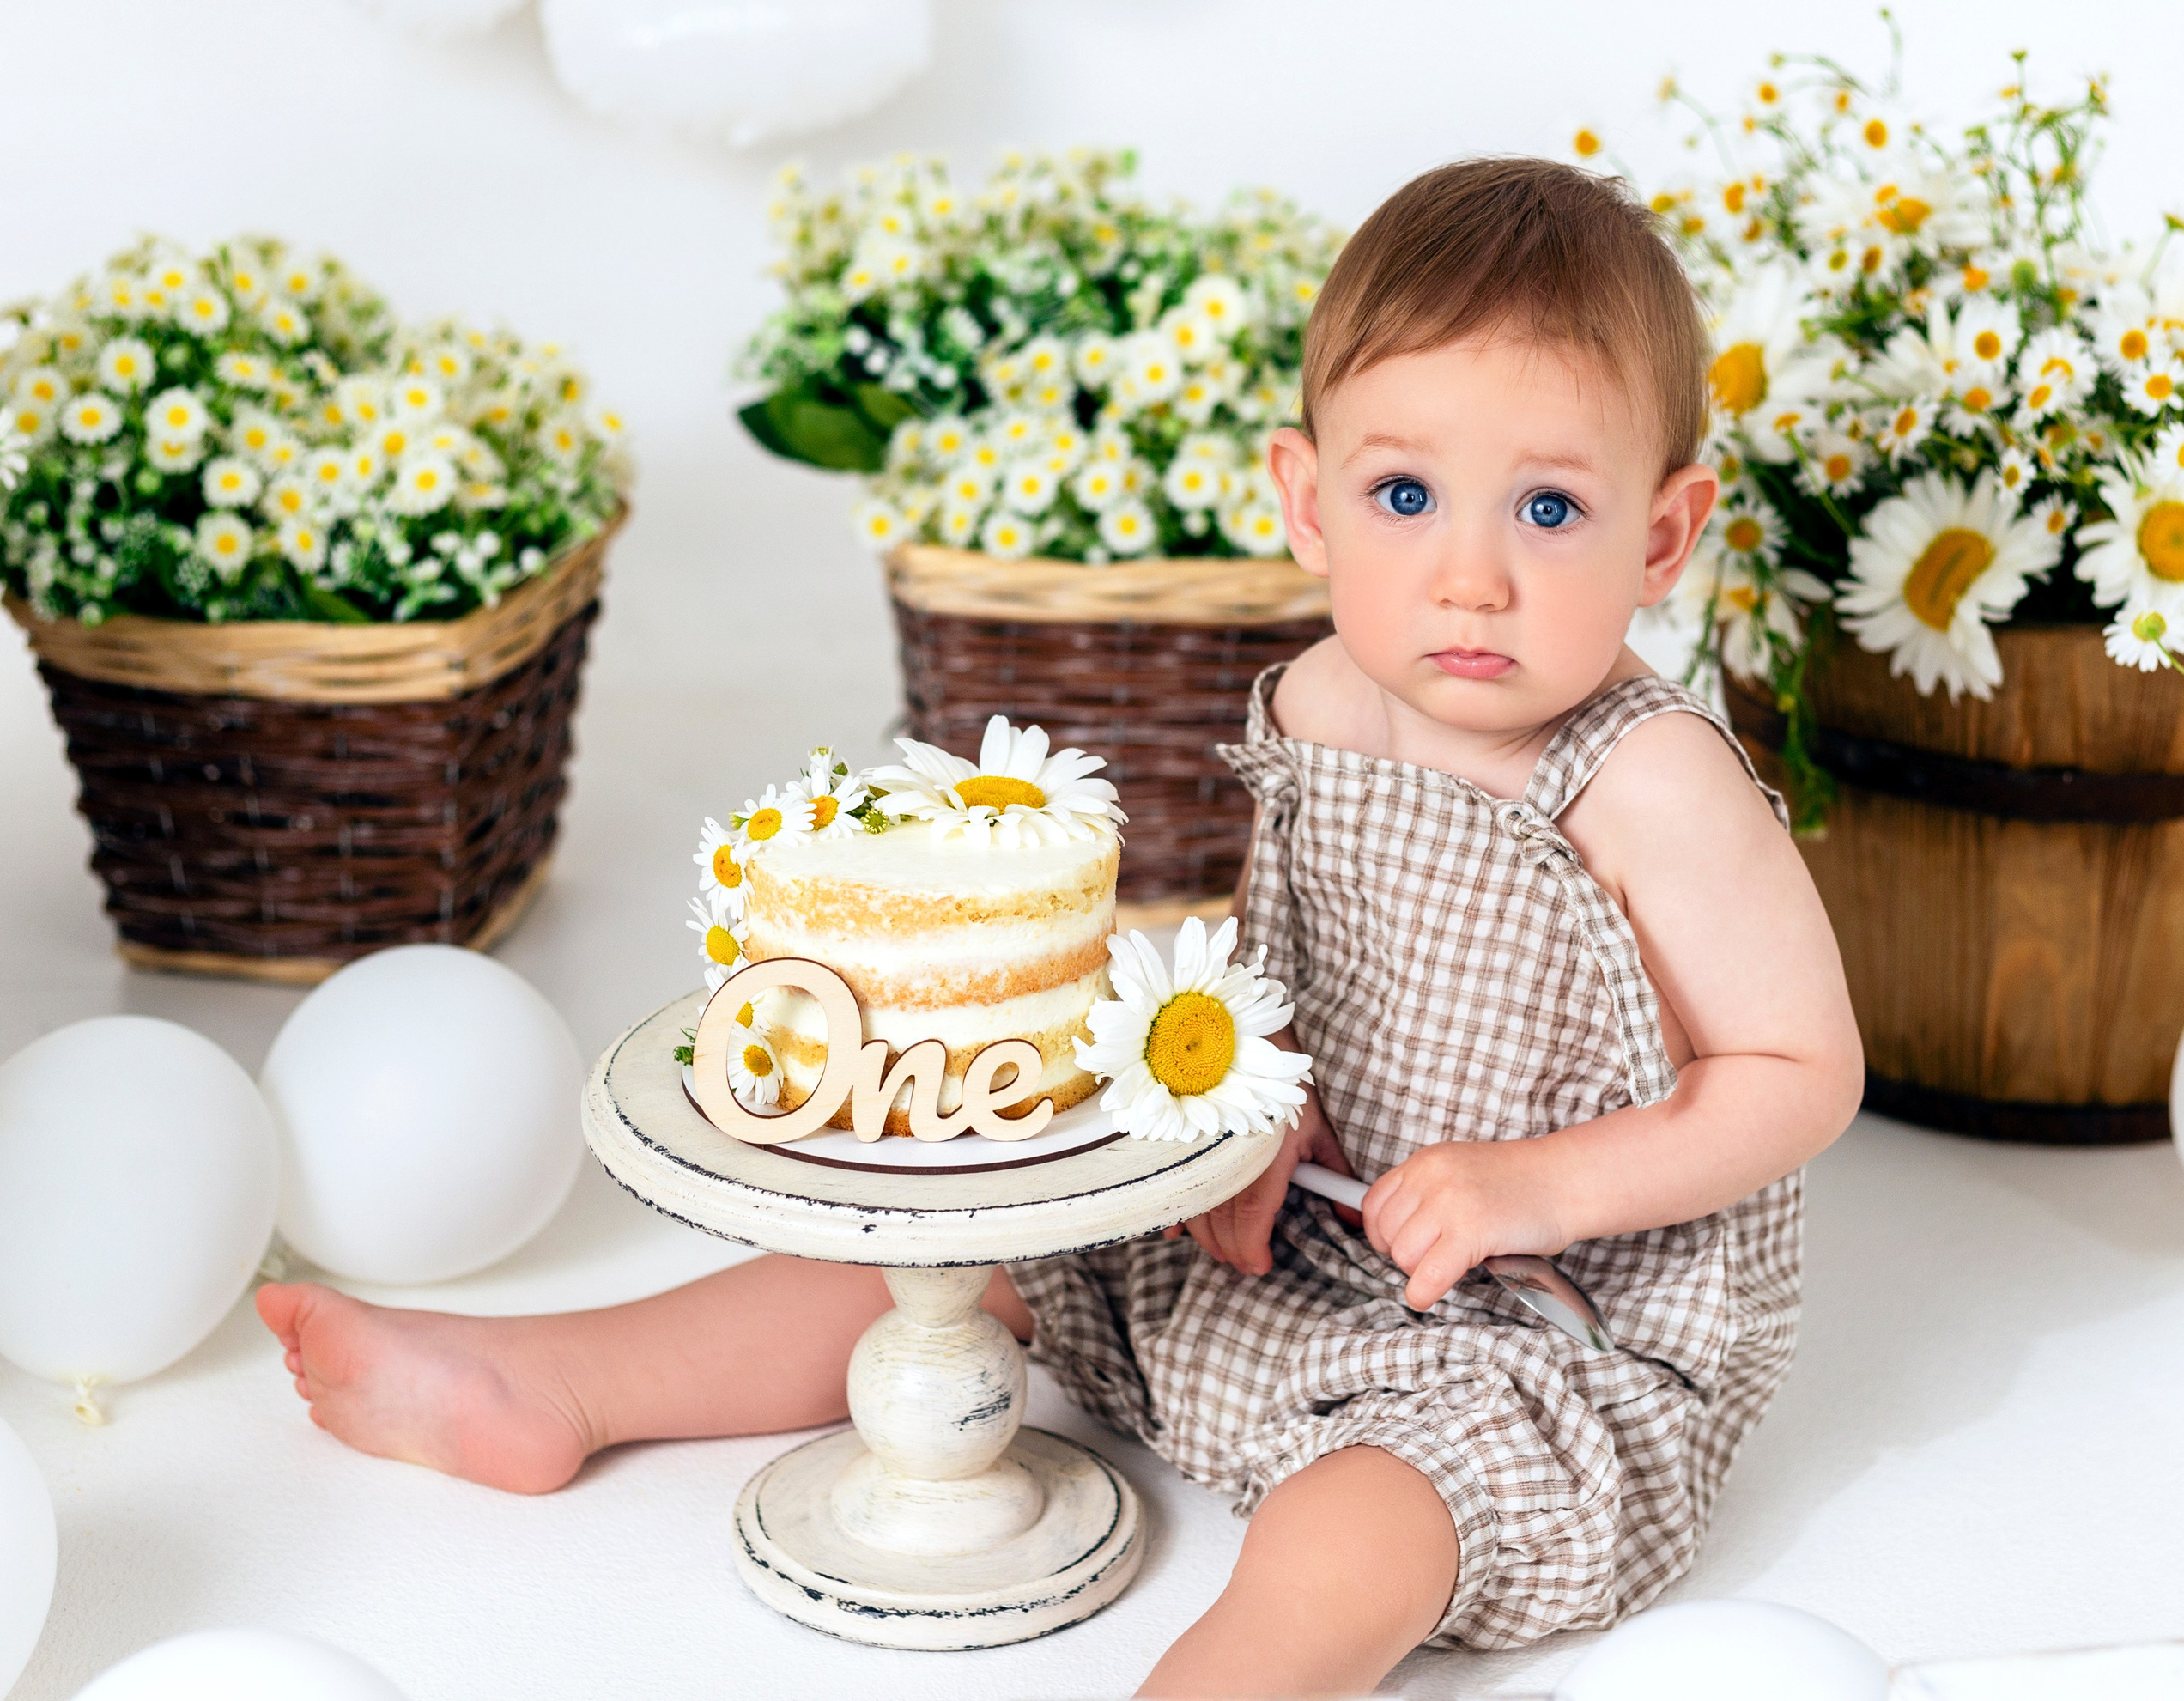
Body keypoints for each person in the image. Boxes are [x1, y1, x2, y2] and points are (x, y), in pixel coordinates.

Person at [258, 156, 1864, 1698]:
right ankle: (564, 1377)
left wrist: (1536, 1188)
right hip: (1311, 1211)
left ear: (1662, 535)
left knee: (1374, 1502)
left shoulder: (1646, 780)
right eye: (1405, 491)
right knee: (969, 1241)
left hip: (1541, 1318)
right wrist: (1253, 1101)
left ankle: (1229, 1678)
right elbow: (1290, 965)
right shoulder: (1320, 700)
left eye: (1551, 512)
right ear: (1306, 501)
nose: (1470, 577)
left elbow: (1802, 1069)